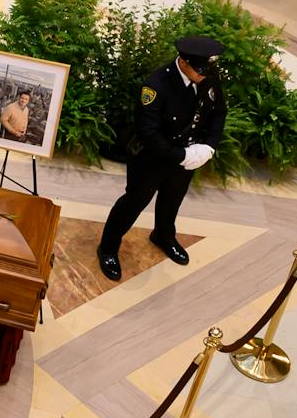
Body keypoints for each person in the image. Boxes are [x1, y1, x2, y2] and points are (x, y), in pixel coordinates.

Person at [95, 36, 227, 282]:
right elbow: (148, 133)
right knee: (133, 203)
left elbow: (219, 112)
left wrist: (208, 146)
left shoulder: (207, 75)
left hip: (187, 156)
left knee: (172, 200)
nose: (204, 76)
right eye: (199, 71)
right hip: (151, 159)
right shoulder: (156, 85)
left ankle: (163, 235)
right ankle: (108, 246)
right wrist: (182, 155)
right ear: (184, 63)